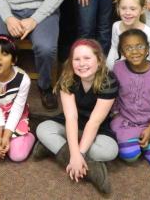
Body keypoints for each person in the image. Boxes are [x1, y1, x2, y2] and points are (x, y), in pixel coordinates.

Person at [34, 39, 118, 194]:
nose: (82, 63)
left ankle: (53, 149)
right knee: (43, 129)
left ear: (99, 61)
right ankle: (91, 169)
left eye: (87, 58)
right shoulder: (67, 78)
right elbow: (71, 117)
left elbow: (95, 121)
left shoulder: (109, 81)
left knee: (110, 151)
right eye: (77, 59)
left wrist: (80, 154)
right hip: (73, 121)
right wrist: (75, 155)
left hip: (96, 125)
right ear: (71, 62)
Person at [111, 29, 150, 167]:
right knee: (130, 156)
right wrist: (114, 115)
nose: (135, 51)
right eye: (128, 48)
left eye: (140, 46)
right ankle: (133, 139)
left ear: (148, 49)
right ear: (122, 52)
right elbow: (113, 95)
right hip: (126, 122)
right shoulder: (117, 68)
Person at [107, 0, 150, 70]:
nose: (127, 13)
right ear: (118, 8)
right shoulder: (116, 26)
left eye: (132, 9)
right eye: (123, 8)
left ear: (142, 9)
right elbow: (114, 48)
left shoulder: (149, 33)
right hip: (121, 73)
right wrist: (109, 69)